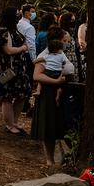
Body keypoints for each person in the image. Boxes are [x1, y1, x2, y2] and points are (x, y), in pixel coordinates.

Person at [30, 27, 69, 167]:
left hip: (58, 90)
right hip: (48, 93)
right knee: (49, 127)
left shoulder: (59, 53)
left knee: (58, 125)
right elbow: (37, 75)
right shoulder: (45, 54)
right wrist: (56, 82)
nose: (66, 43)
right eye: (64, 40)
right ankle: (50, 159)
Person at [0, 7, 32, 136]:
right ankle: (9, 125)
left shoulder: (14, 30)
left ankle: (14, 121)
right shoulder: (4, 31)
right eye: (16, 14)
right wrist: (22, 48)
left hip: (20, 70)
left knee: (23, 94)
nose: (18, 15)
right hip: (8, 70)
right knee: (7, 97)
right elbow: (8, 50)